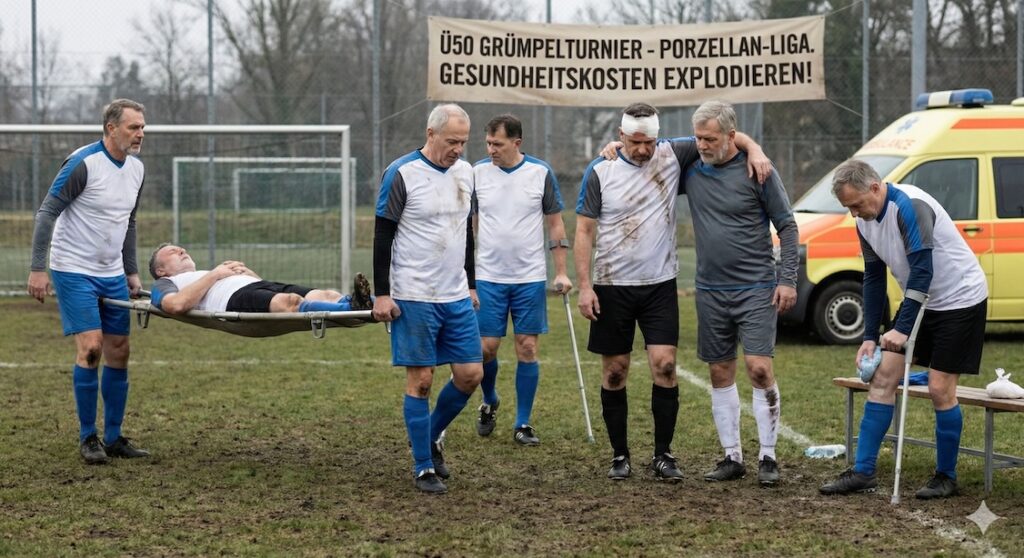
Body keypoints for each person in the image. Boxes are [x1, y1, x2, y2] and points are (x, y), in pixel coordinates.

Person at [576, 102, 771, 482]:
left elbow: (725, 137)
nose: (642, 150)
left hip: (660, 284)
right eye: (634, 142)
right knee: (615, 372)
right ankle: (620, 455)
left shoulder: (673, 153)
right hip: (612, 284)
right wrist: (585, 287)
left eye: (648, 142)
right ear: (620, 136)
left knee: (665, 366)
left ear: (658, 137)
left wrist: (756, 149)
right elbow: (584, 230)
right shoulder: (600, 170)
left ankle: (663, 455)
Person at [819, 159, 988, 499]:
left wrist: (902, 329)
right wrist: (869, 336)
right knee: (883, 377)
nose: (853, 214)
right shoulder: (864, 221)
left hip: (959, 299)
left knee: (940, 388)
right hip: (919, 299)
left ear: (875, 188)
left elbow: (923, 270)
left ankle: (946, 476)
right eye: (848, 207)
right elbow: (873, 276)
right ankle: (864, 471)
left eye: (856, 205)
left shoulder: (910, 206)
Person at [678, 101, 797, 487]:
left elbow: (788, 226)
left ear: (731, 137)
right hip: (710, 290)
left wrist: (788, 279)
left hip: (756, 287)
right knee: (719, 371)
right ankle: (732, 457)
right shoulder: (691, 167)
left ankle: (768, 456)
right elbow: (646, 149)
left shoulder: (758, 170)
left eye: (710, 139)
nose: (702, 145)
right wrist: (614, 147)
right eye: (698, 138)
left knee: (759, 368)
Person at [27, 99, 149, 465]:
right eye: (133, 127)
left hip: (111, 272)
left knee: (119, 351)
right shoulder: (83, 163)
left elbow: (128, 222)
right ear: (111, 128)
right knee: (92, 348)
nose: (140, 134)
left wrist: (130, 270)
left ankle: (114, 438)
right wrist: (38, 268)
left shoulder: (137, 169)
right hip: (73, 269)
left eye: (142, 127)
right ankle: (88, 437)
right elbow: (47, 212)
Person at [372, 103, 483, 494]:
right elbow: (382, 234)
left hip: (455, 294)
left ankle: (430, 435)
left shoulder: (466, 172)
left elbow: (465, 232)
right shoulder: (401, 173)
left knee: (471, 375)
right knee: (421, 381)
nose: (458, 149)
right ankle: (423, 467)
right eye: (452, 141)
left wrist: (470, 283)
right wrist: (382, 293)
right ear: (430, 133)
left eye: (463, 142)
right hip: (413, 294)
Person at [471, 114, 572, 447]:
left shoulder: (540, 173)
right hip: (488, 277)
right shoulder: (476, 173)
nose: (491, 150)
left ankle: (523, 422)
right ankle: (489, 400)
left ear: (516, 143)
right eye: (488, 143)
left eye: (497, 144)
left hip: (529, 277)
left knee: (527, 347)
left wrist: (561, 271)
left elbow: (555, 224)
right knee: (486, 349)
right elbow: (470, 224)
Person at [147, 243, 372, 314]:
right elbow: (175, 305)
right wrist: (216, 274)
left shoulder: (204, 273)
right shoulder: (164, 283)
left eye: (181, 248)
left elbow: (260, 287)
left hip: (256, 286)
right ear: (161, 270)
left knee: (328, 294)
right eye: (172, 252)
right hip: (231, 298)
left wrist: (247, 273)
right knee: (291, 302)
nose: (181, 250)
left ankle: (371, 302)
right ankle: (353, 307)